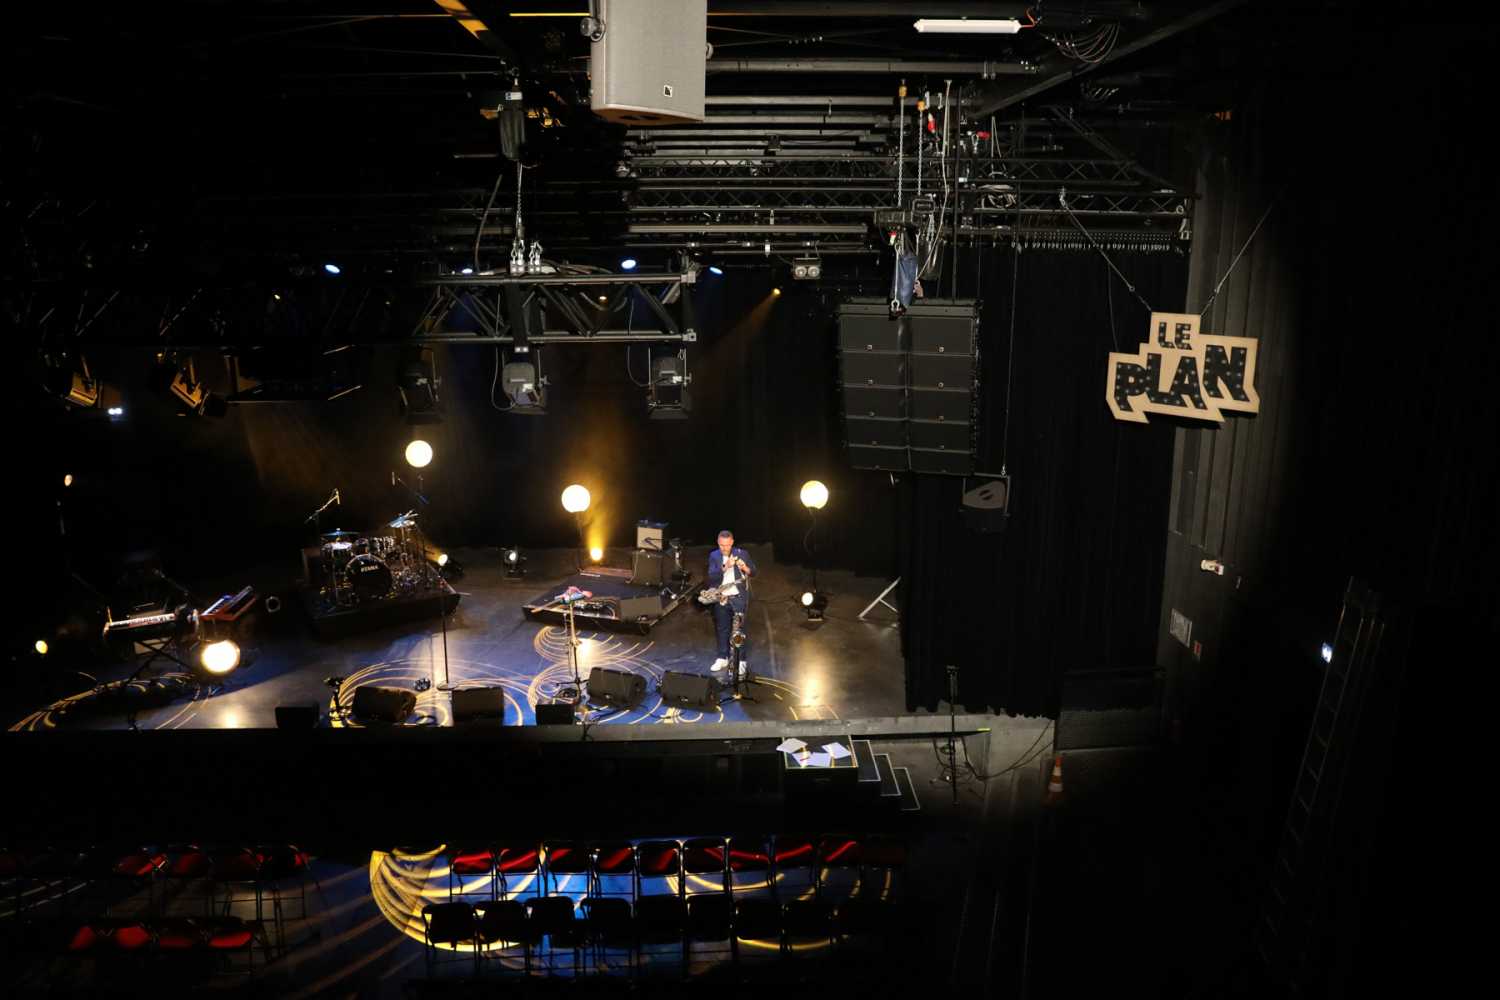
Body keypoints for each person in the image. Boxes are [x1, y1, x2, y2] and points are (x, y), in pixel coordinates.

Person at [706, 530, 755, 674]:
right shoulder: (714, 556)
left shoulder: (742, 553)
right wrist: (725, 566)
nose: (724, 548)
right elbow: (712, 577)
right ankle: (723, 657)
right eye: (721, 545)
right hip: (722, 598)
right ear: (718, 542)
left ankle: (741, 660)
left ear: (732, 542)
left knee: (739, 631)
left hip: (738, 598)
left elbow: (754, 571)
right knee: (722, 628)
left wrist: (744, 567)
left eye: (727, 545)